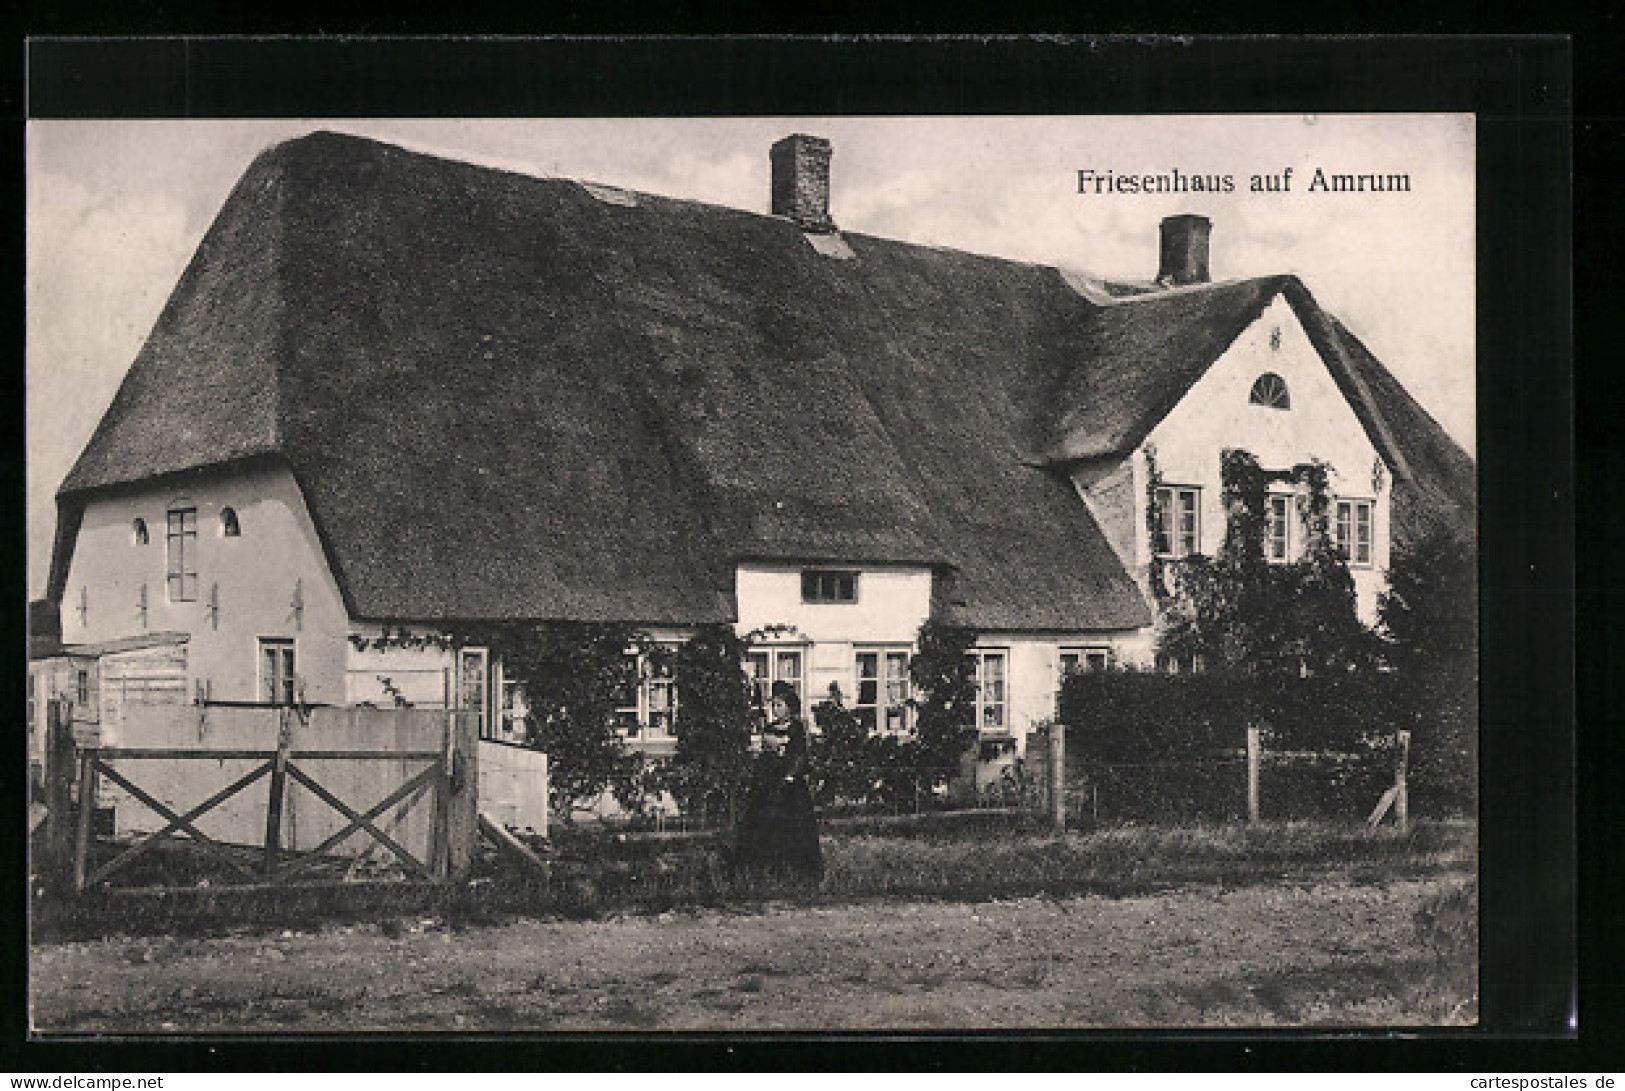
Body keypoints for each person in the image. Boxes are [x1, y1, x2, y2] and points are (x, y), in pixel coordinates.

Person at [734, 680, 824, 885]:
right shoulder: (770, 727)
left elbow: (800, 756)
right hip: (768, 784)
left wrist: (791, 775)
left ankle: (799, 873)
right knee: (764, 825)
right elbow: (766, 753)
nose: (775, 709)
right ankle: (764, 870)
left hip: (791, 788)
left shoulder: (796, 728)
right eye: (773, 705)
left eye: (779, 705)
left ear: (789, 707)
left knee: (793, 828)